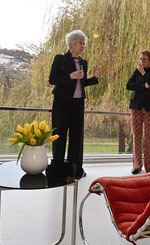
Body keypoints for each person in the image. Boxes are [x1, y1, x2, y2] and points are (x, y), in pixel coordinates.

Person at [49, 30, 101, 178]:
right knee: (59, 135)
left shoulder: (83, 62)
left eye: (84, 43)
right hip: (62, 102)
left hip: (78, 103)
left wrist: (95, 78)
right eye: (80, 43)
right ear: (71, 44)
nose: (83, 46)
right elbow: (52, 80)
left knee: (77, 136)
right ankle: (58, 167)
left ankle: (75, 168)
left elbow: (82, 83)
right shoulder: (60, 59)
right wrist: (70, 76)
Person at [126, 50, 150, 174]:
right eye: (140, 59)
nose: (141, 62)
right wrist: (143, 86)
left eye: (144, 59)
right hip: (136, 106)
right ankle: (137, 165)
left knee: (149, 136)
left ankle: (149, 167)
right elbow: (129, 85)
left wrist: (144, 74)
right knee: (137, 135)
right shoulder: (137, 71)